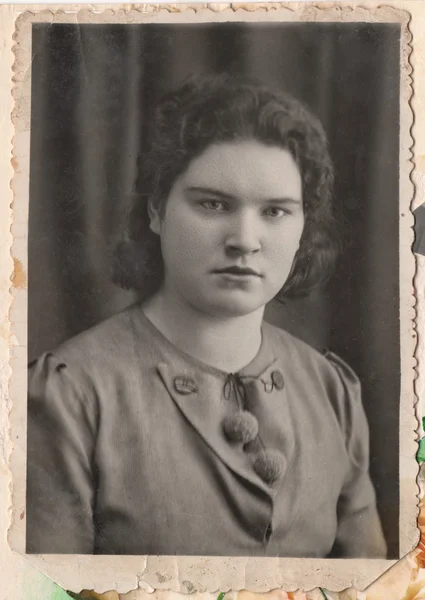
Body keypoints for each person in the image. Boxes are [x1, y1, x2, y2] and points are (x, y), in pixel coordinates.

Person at [27, 74, 387, 557]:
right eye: (213, 204)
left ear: (304, 226)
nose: (244, 238)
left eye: (275, 212)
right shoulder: (69, 397)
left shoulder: (330, 390)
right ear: (157, 210)